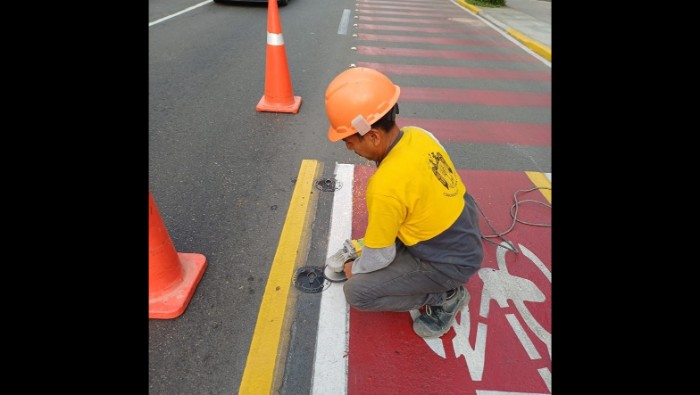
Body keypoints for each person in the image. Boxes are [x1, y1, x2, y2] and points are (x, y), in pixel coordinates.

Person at [323, 67, 484, 339]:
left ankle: (446, 296)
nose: (350, 149)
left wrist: (355, 268)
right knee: (384, 239)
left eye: (349, 142)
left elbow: (380, 257)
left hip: (449, 262)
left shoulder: (385, 186)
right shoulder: (419, 135)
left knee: (357, 292)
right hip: (464, 233)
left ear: (373, 136)